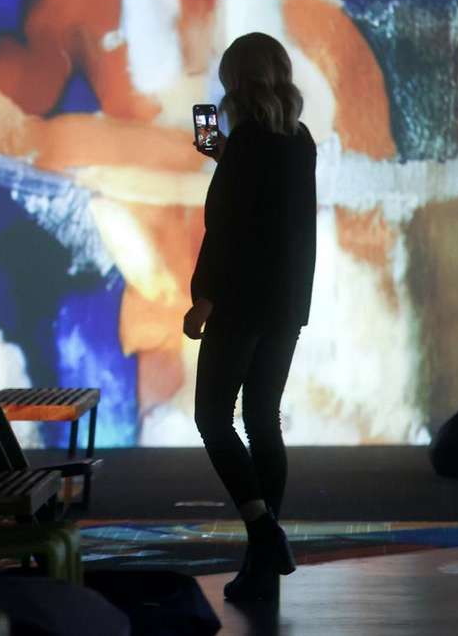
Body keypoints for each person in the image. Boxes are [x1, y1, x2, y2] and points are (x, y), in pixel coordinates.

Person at [184, 32, 318, 602]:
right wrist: (226, 157)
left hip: (239, 301)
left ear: (237, 81)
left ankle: (264, 533)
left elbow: (228, 228)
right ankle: (262, 564)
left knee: (213, 418)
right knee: (263, 419)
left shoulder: (245, 145)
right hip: (286, 303)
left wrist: (204, 298)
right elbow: (273, 211)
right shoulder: (299, 140)